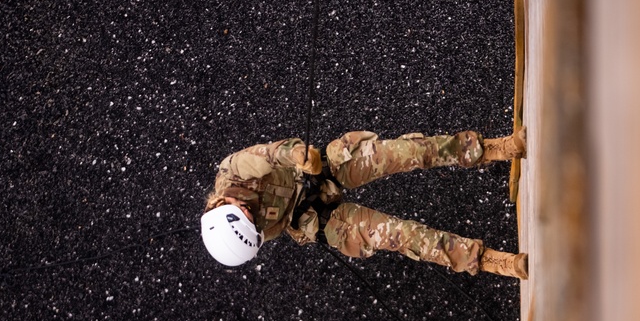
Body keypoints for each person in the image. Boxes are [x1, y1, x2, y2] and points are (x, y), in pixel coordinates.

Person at [200, 129, 528, 278]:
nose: (250, 214)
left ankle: (488, 149)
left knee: (408, 152)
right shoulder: (254, 233)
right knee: (402, 236)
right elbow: (281, 225)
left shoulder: (236, 172)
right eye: (252, 224)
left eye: (241, 213)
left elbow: (274, 153)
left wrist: (300, 157)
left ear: (222, 207)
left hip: (322, 168)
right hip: (318, 218)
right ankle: (486, 260)